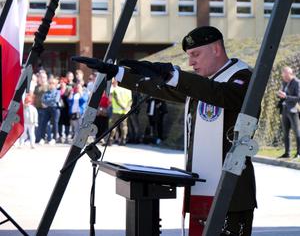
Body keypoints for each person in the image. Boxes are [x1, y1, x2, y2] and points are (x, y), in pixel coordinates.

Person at [72, 25, 257, 235]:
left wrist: (173, 75)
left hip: (232, 195)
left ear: (216, 49)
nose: (190, 62)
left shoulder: (243, 78)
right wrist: (119, 73)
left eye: (196, 54)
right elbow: (165, 88)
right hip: (203, 189)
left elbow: (222, 95)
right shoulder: (205, 83)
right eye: (188, 56)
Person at [277, 66, 300, 158]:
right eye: (283, 74)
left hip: (293, 110)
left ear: (290, 73)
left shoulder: (297, 82)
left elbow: (298, 98)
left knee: (297, 132)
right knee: (285, 133)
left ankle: (299, 153)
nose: (284, 76)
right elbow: (283, 95)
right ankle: (287, 153)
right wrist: (280, 95)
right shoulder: (284, 82)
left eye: (285, 74)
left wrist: (286, 96)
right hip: (284, 109)